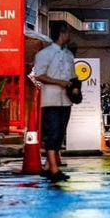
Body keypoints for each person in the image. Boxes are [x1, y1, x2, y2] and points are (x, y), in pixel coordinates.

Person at [33, 20, 76, 183]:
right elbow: (38, 75)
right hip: (50, 99)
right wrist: (60, 83)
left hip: (66, 99)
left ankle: (47, 166)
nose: (69, 36)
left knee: (61, 132)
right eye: (68, 32)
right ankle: (54, 169)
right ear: (62, 33)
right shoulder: (45, 54)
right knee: (53, 133)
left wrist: (74, 87)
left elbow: (72, 76)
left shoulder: (68, 54)